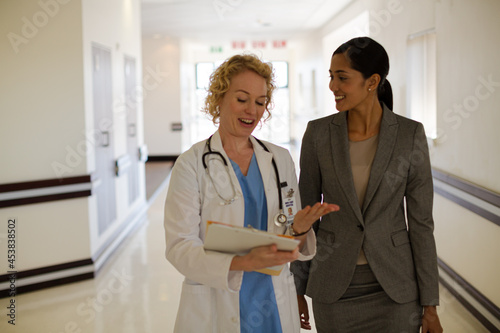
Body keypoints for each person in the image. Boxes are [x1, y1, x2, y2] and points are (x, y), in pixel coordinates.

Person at [164, 54, 338, 333]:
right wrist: (243, 261)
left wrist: (300, 230)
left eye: (260, 102)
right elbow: (179, 246)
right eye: (242, 99)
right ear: (219, 98)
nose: (252, 111)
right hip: (217, 302)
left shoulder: (279, 159)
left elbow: (289, 244)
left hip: (273, 304)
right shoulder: (191, 164)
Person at [290, 37, 443, 332]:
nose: (333, 86)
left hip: (395, 288)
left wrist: (430, 304)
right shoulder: (318, 134)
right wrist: (297, 288)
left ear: (372, 81)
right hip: (333, 285)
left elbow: (421, 224)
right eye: (331, 77)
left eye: (342, 77)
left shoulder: (410, 135)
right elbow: (305, 217)